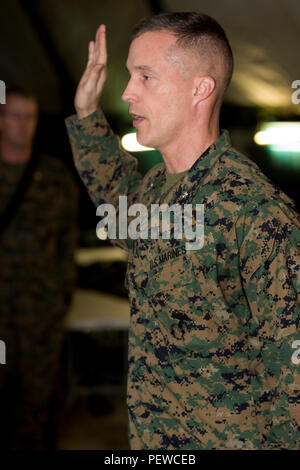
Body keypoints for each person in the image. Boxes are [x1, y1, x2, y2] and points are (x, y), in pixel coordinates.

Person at [65, 12, 300, 450]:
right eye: (130, 75)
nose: (127, 92)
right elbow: (117, 195)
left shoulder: (255, 212)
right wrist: (87, 115)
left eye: (146, 77)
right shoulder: (156, 190)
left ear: (200, 89)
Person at [0, 86, 78, 450]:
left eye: (29, 117)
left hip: (39, 312)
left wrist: (61, 297)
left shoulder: (55, 177)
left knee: (37, 400)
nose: (22, 125)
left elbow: (66, 244)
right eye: (14, 115)